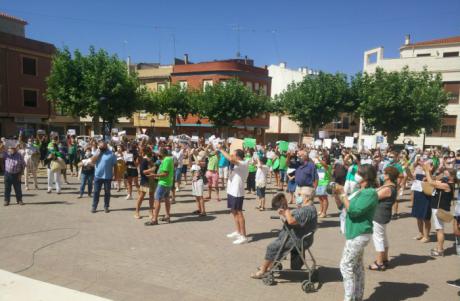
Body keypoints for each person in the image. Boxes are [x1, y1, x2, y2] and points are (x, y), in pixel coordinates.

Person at [334, 164, 378, 301]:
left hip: (359, 233)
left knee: (345, 266)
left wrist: (343, 193)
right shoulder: (360, 190)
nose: (355, 176)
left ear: (365, 176)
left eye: (358, 173)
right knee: (357, 267)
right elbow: (344, 205)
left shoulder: (370, 193)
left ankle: (349, 298)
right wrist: (338, 194)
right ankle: (357, 296)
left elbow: (354, 211)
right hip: (354, 232)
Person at [250, 192, 317, 279]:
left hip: (298, 239)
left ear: (307, 198)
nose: (297, 197)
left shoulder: (307, 210)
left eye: (300, 195)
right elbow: (294, 221)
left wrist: (286, 211)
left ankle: (263, 270)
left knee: (272, 247)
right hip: (296, 236)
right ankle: (271, 265)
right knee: (277, 244)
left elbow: (291, 221)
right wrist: (284, 213)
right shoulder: (306, 208)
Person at [369, 166, 399, 271]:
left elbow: (373, 197)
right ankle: (384, 259)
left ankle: (379, 262)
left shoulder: (388, 188)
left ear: (388, 176)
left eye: (384, 173)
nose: (382, 174)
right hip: (382, 214)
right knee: (383, 237)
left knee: (378, 239)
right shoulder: (389, 186)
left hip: (379, 215)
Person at [423, 163, 456, 256]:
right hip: (439, 208)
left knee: (439, 229)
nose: (443, 176)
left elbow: (431, 182)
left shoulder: (447, 185)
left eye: (446, 175)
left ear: (451, 177)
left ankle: (440, 250)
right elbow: (434, 179)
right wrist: (430, 171)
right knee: (439, 228)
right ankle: (438, 247)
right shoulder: (446, 182)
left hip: (439, 209)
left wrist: (426, 171)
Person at [219, 145, 249, 245]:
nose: (232, 155)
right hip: (231, 191)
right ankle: (238, 231)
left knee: (239, 212)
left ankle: (244, 236)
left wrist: (221, 149)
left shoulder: (243, 163)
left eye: (234, 154)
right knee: (233, 211)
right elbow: (230, 159)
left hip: (237, 192)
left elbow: (229, 158)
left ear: (238, 157)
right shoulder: (236, 164)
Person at [144, 147, 174, 225]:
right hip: (168, 183)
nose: (157, 154)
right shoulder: (169, 159)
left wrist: (154, 175)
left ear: (162, 153)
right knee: (167, 199)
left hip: (163, 183)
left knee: (157, 200)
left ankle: (154, 219)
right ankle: (167, 216)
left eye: (158, 153)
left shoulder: (167, 160)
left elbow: (165, 173)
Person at [90, 141, 117, 213]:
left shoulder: (111, 154)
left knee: (107, 192)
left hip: (108, 177)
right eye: (100, 147)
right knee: (96, 192)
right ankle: (94, 206)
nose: (101, 148)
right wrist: (98, 154)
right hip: (98, 176)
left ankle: (106, 206)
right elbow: (92, 161)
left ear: (106, 146)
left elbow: (115, 165)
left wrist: (116, 175)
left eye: (103, 147)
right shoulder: (97, 152)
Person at [410, 155, 432, 243]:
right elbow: (412, 175)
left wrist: (424, 166)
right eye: (419, 159)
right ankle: (421, 233)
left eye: (422, 159)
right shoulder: (417, 167)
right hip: (418, 191)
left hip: (426, 192)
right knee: (418, 215)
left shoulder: (429, 165)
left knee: (425, 216)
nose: (420, 161)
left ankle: (427, 236)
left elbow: (432, 175)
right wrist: (415, 165)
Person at [135, 147, 157, 219]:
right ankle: (137, 212)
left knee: (151, 196)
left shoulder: (153, 159)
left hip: (152, 180)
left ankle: (150, 212)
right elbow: (142, 172)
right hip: (145, 181)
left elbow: (156, 168)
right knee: (141, 196)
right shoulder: (144, 160)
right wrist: (151, 169)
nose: (151, 153)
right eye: (150, 152)